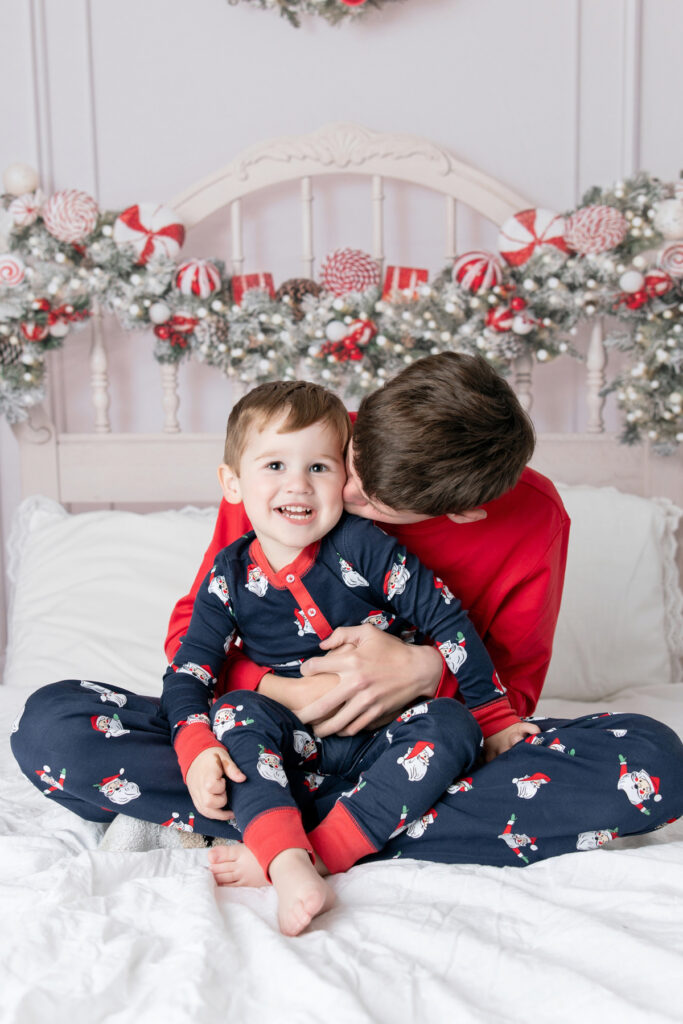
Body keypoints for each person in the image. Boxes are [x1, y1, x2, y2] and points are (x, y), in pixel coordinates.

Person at [11, 354, 683, 891]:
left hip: (418, 750)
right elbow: (195, 633)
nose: (337, 491)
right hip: (263, 737)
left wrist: (423, 671)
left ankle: (287, 834)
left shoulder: (534, 520)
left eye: (375, 498)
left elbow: (514, 696)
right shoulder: (300, 451)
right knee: (52, 728)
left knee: (653, 763)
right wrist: (275, 690)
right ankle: (344, 825)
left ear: (462, 512)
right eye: (350, 462)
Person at [164, 378, 514, 934]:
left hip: (384, 743)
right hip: (283, 745)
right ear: (232, 483)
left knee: (454, 725)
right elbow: (190, 670)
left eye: (319, 467)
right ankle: (291, 856)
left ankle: (310, 852)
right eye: (274, 466)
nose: (298, 484)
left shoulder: (363, 545)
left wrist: (493, 716)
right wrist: (196, 748)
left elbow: (446, 618)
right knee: (230, 713)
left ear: (344, 474)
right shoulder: (227, 576)